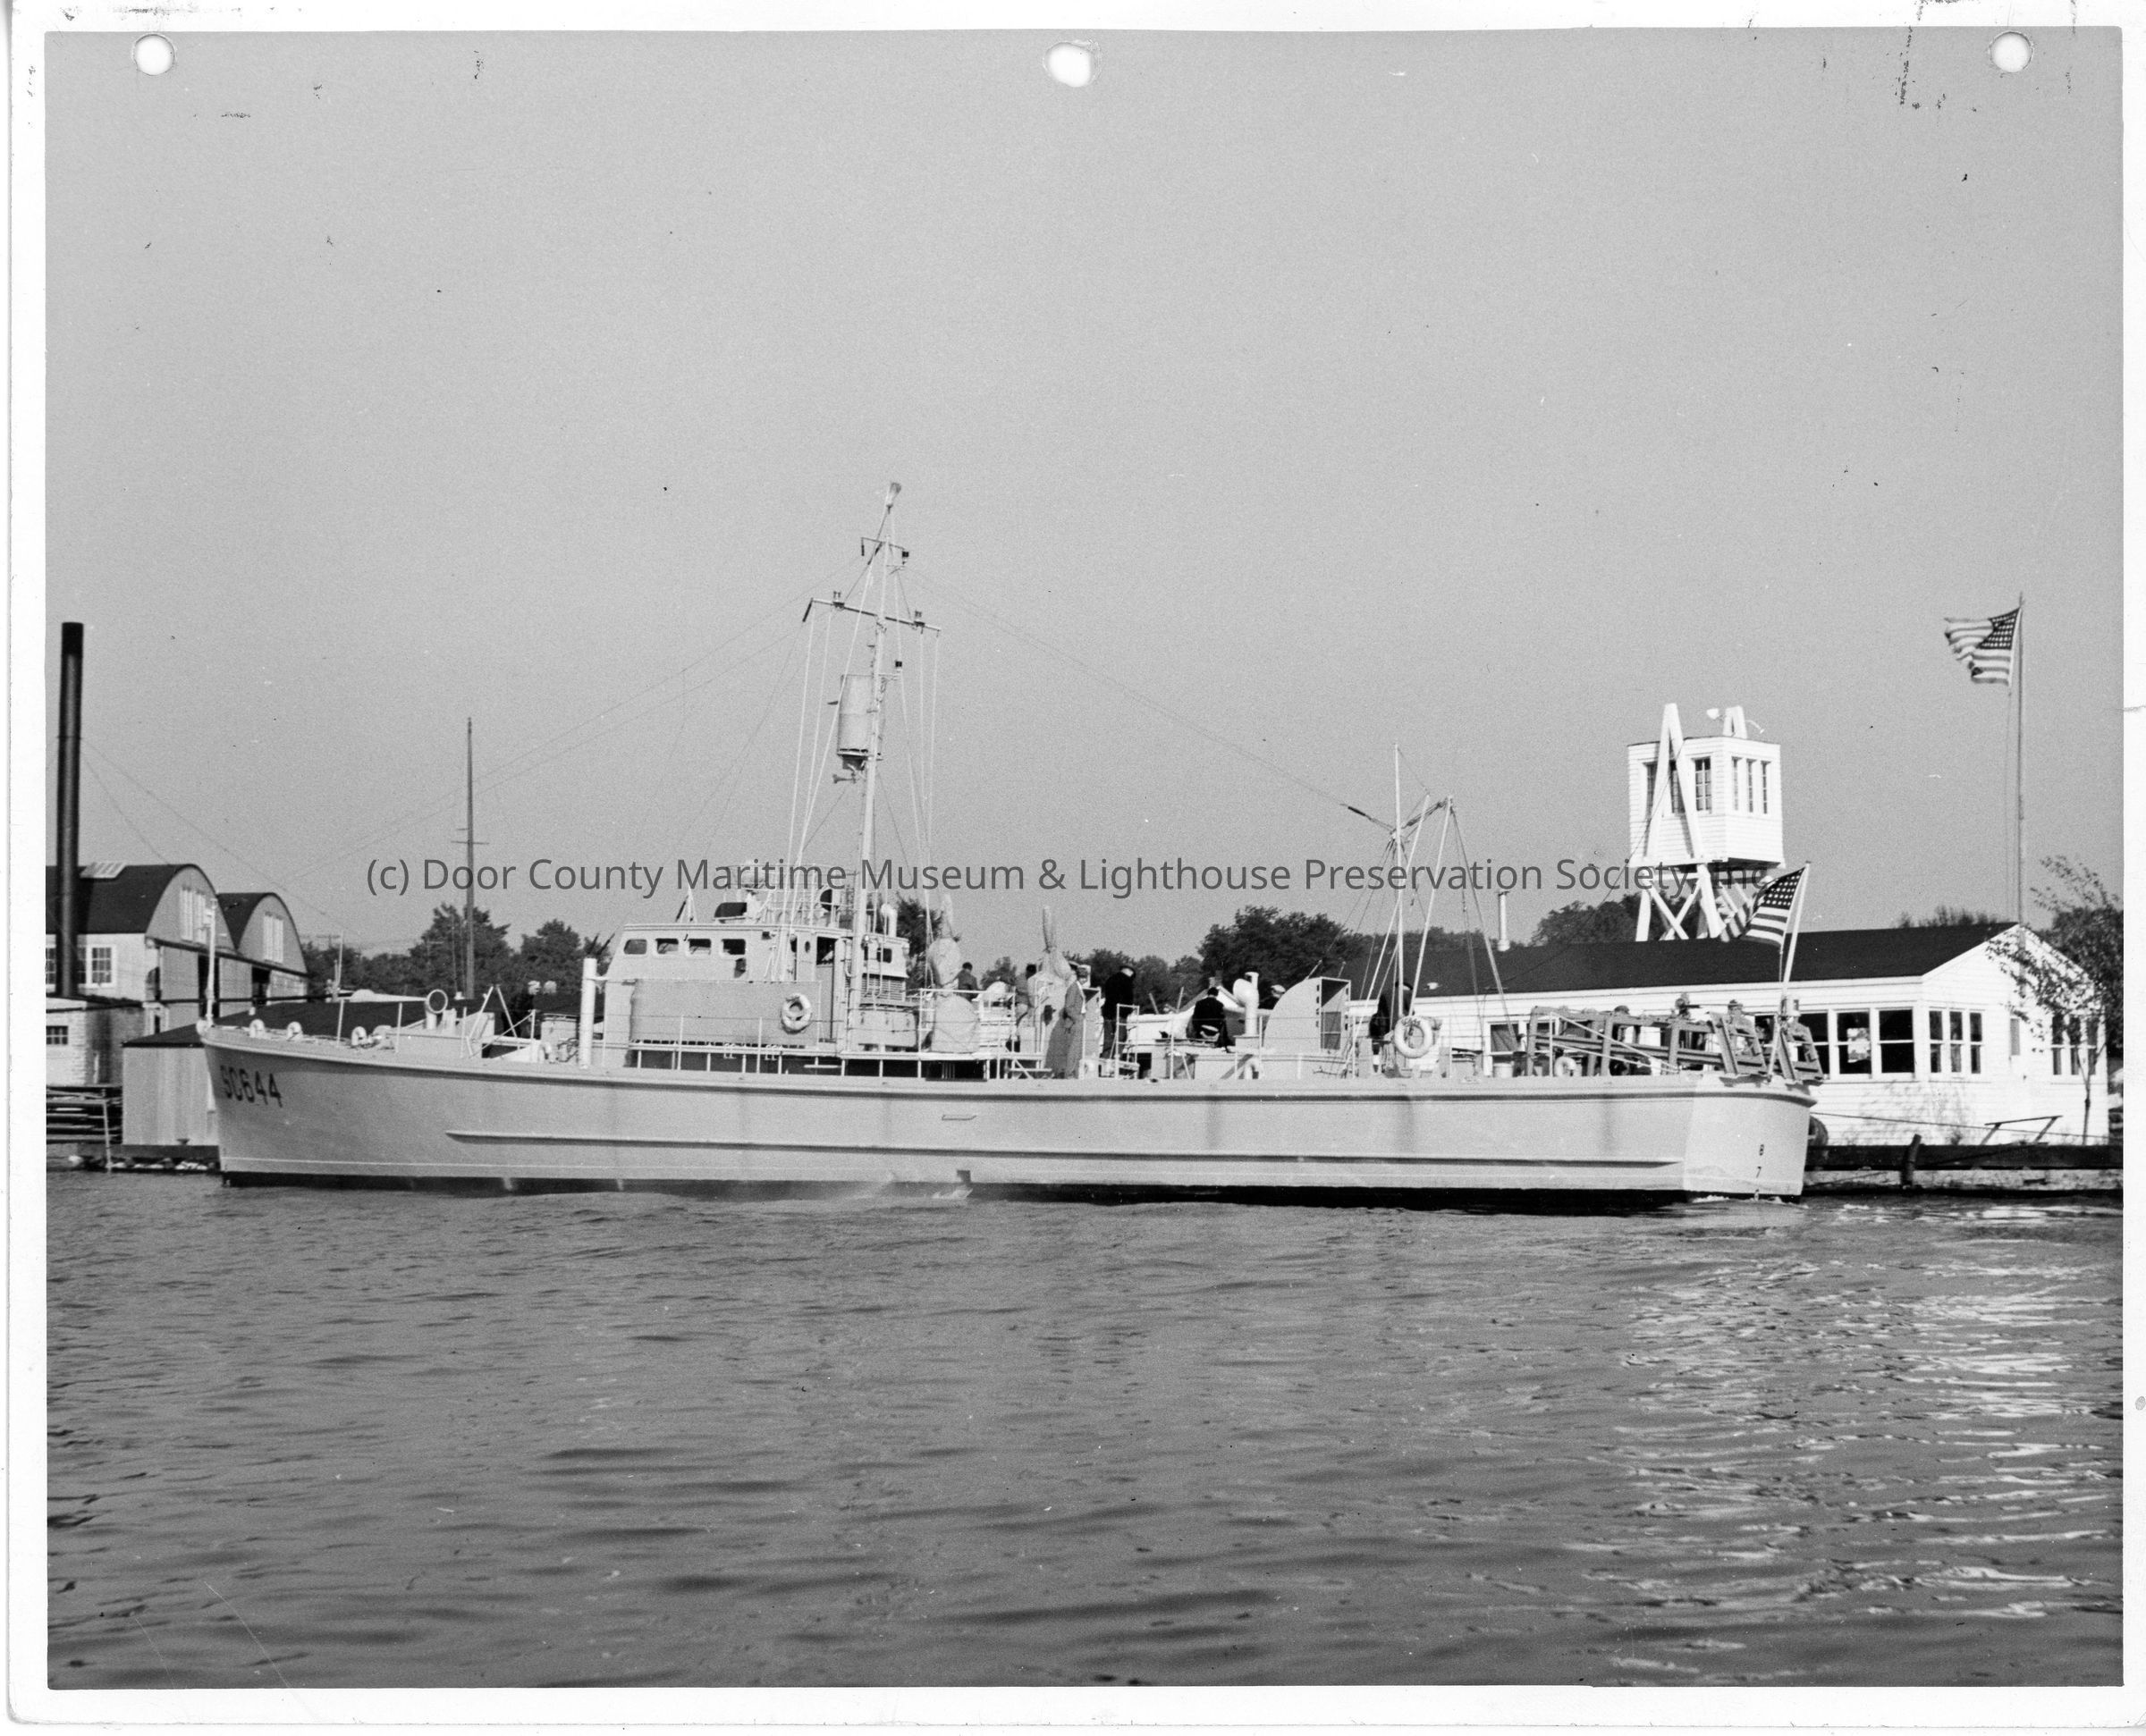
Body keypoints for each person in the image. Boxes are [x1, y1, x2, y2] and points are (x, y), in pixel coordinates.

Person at [1100, 965, 1138, 1058]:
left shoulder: (1110, 979)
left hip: (1108, 1013)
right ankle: (1116, 1059)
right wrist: (1129, 1010)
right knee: (1121, 1038)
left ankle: (1106, 1060)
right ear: (1130, 972)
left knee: (1108, 1040)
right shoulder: (1127, 981)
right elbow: (1128, 998)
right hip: (1120, 1013)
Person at [1187, 978, 1233, 1049]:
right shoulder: (1220, 1005)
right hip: (1215, 1032)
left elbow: (1195, 1019)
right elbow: (1222, 1021)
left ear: (1208, 994)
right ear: (1216, 995)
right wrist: (1218, 1034)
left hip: (1201, 1031)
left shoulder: (1199, 1003)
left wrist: (1201, 1032)